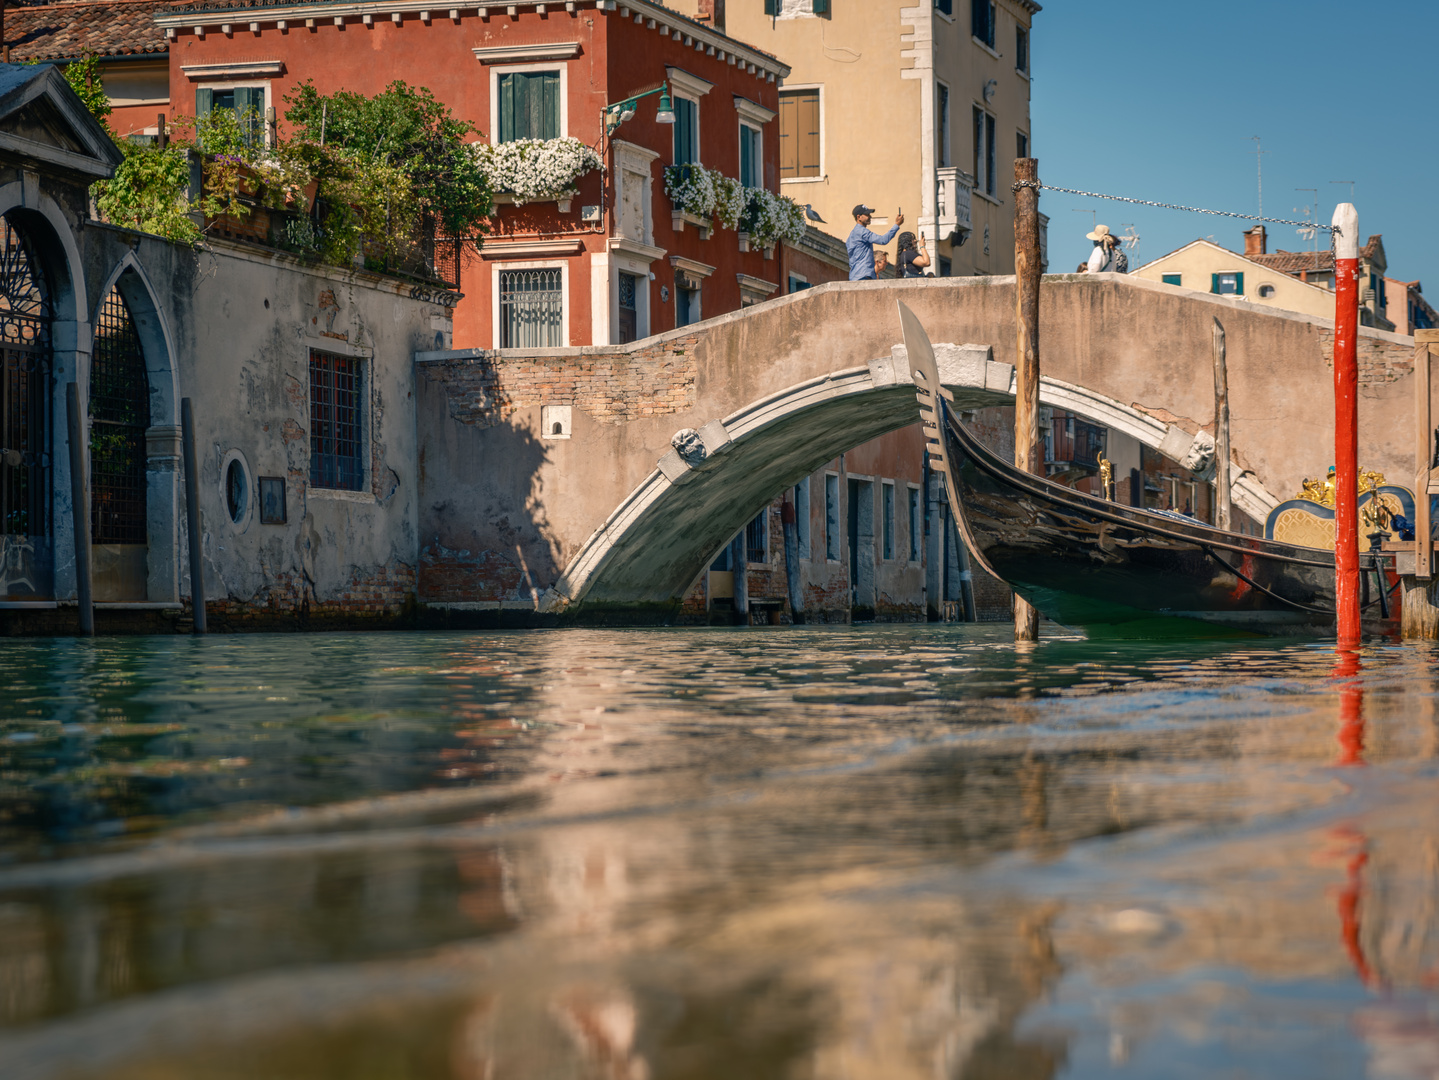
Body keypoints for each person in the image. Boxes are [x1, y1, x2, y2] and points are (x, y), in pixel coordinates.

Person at [847, 204, 903, 280]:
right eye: (867, 214)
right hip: (864, 275)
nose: (870, 216)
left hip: (855, 276)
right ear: (858, 217)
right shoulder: (862, 231)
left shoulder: (852, 235)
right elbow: (883, 240)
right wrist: (897, 224)